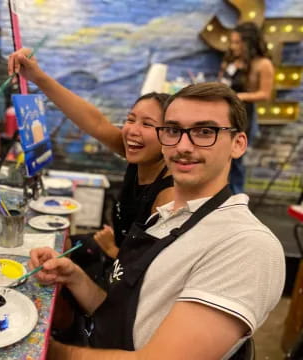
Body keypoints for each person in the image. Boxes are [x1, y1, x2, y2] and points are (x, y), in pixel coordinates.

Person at [30, 82, 285, 359]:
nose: (183, 146)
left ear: (238, 144)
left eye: (204, 132)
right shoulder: (163, 217)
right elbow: (126, 312)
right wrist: (75, 277)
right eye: (174, 130)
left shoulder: (246, 245)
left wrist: (48, 352)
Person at [8, 48, 174, 268]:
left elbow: (153, 273)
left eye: (147, 124)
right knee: (57, 245)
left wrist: (113, 250)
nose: (132, 130)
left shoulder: (168, 196)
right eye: (131, 119)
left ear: (171, 135)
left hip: (123, 275)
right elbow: (95, 122)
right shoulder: (139, 155)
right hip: (114, 250)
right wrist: (38, 76)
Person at [219, 22, 274, 194]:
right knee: (221, 158)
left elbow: (265, 94)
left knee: (236, 160)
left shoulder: (263, 64)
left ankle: (236, 199)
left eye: (237, 42)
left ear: (248, 43)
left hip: (244, 116)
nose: (232, 46)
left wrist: (238, 96)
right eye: (232, 42)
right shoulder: (231, 61)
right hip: (223, 113)